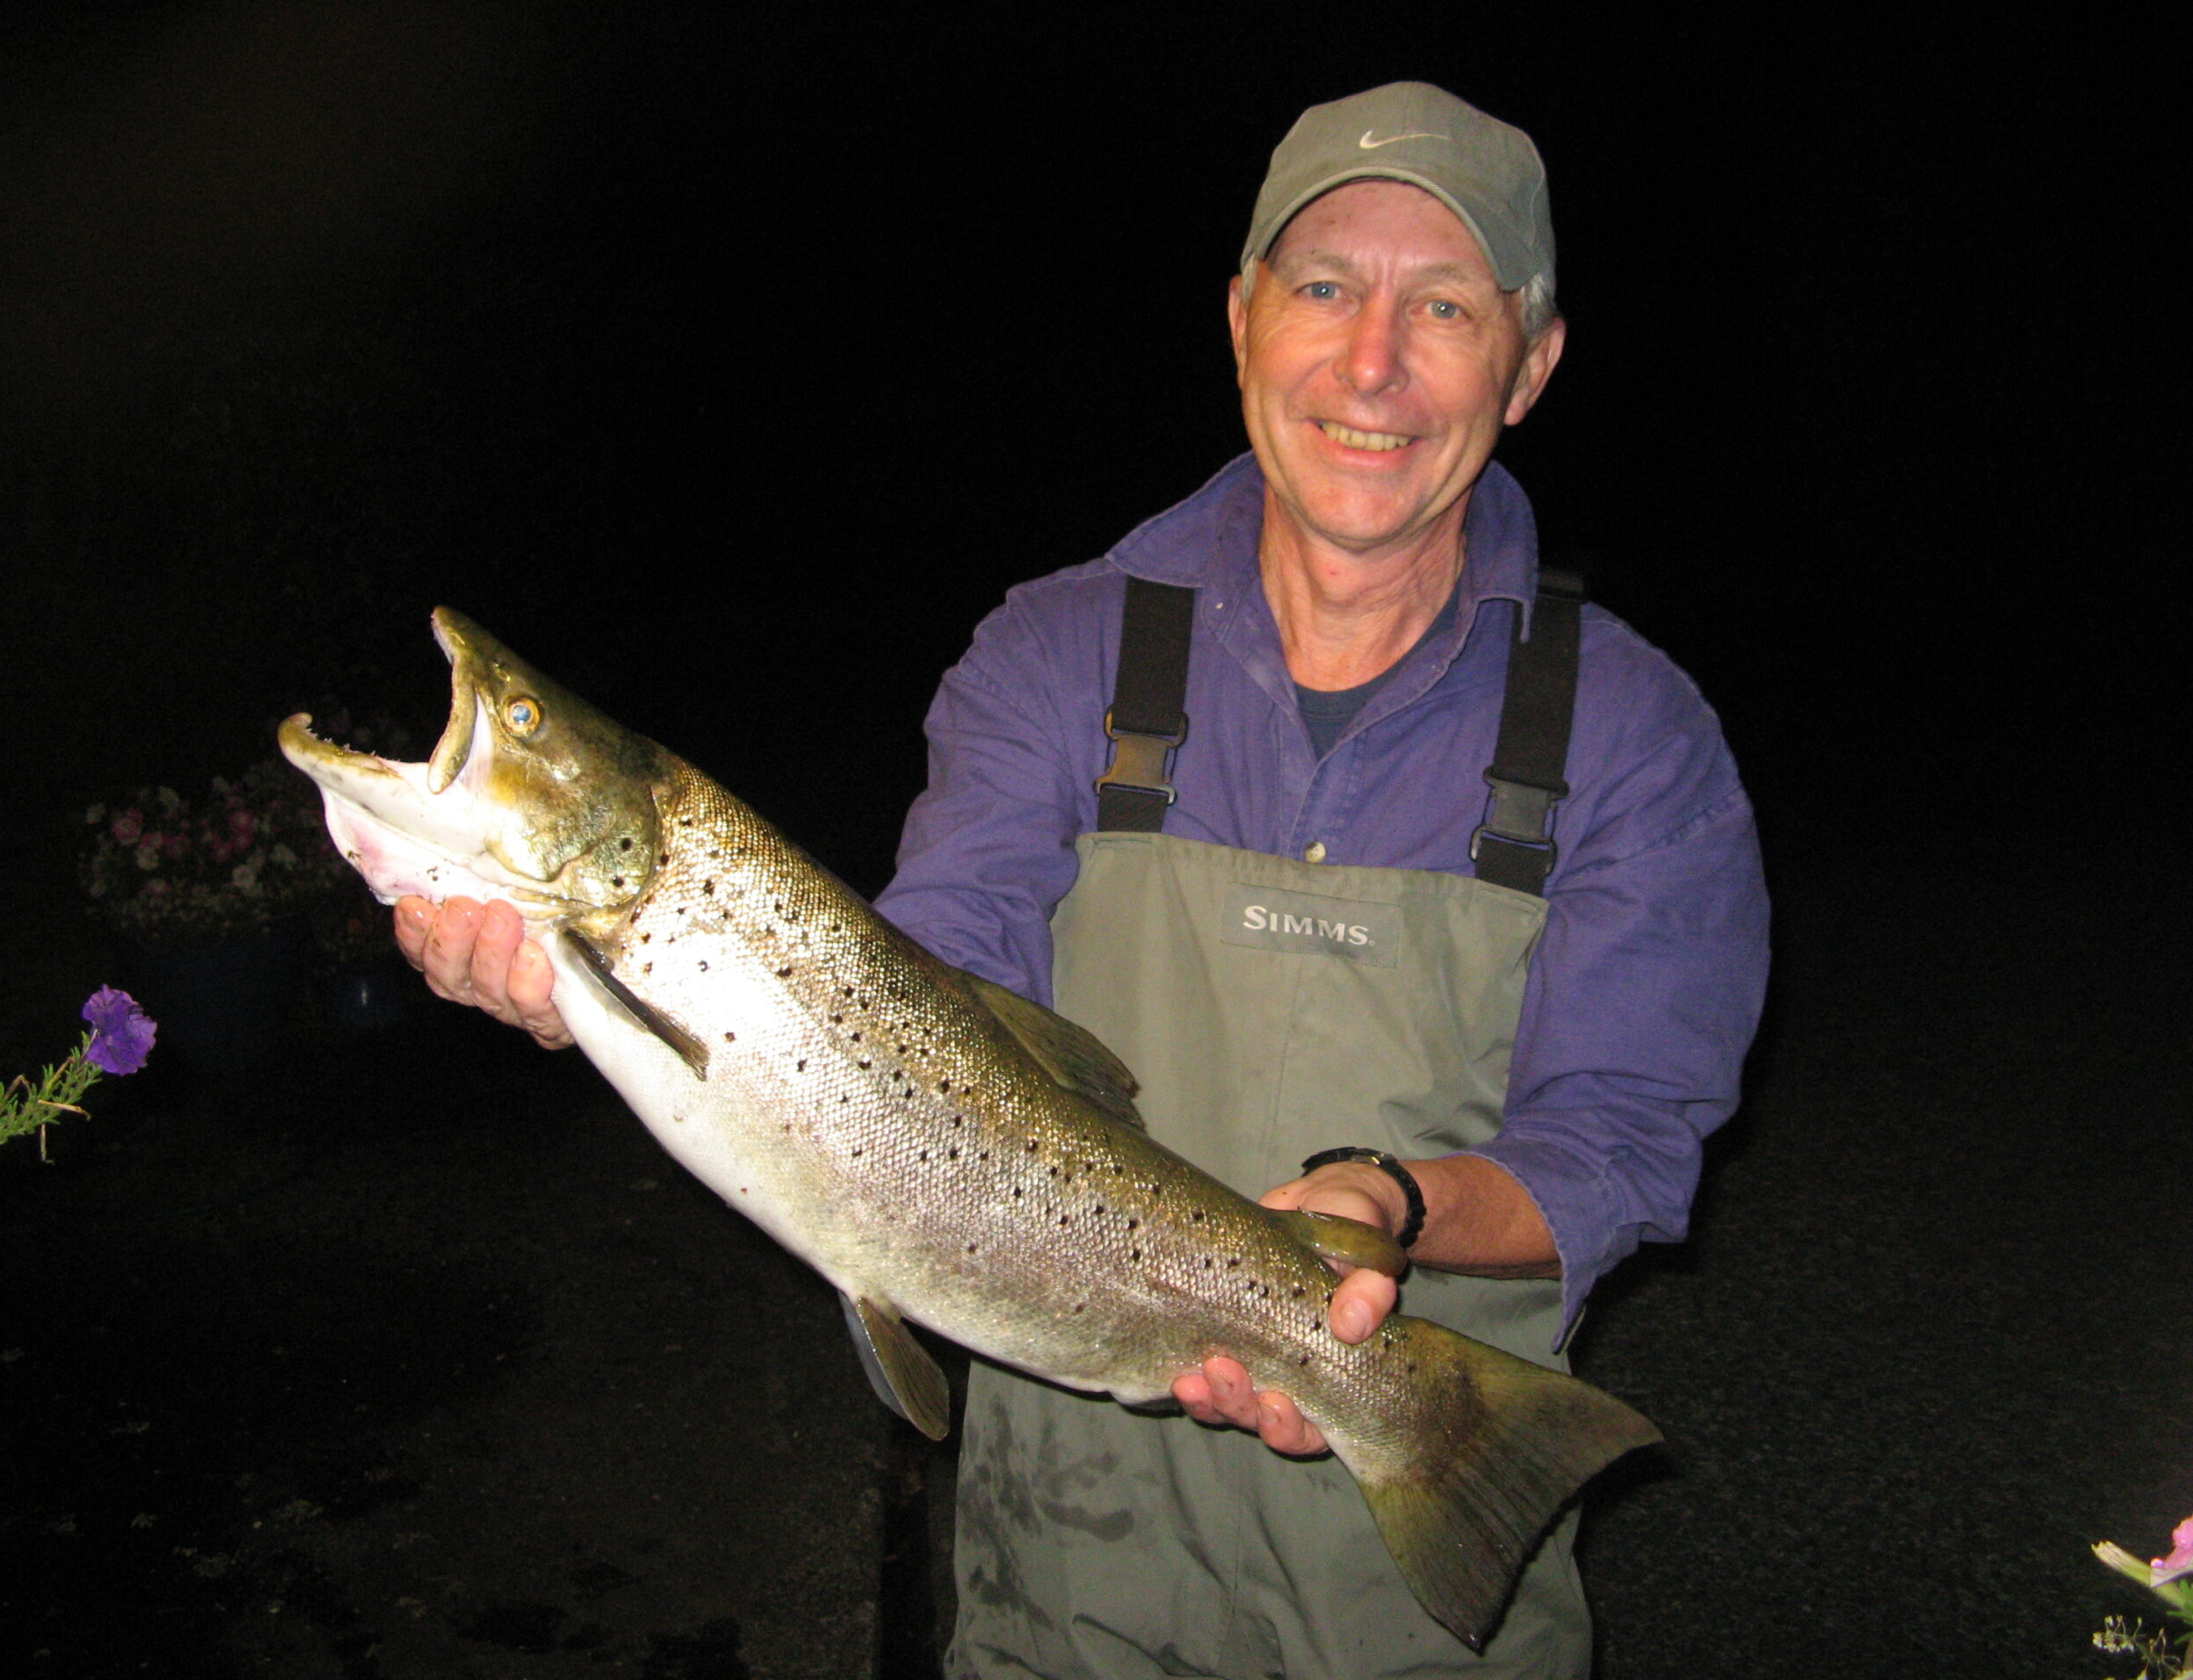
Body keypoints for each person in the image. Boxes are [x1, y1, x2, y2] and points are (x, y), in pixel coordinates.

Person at [400, 80, 1767, 1679]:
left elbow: (1623, 1140)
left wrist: (1389, 1217)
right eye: (1327, 287)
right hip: (1068, 1581)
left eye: (1446, 307)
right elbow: (921, 983)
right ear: (1243, 320)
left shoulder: (1633, 732)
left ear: (1528, 367)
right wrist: (590, 993)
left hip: (1407, 1619)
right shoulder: (1055, 655)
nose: (1372, 362)